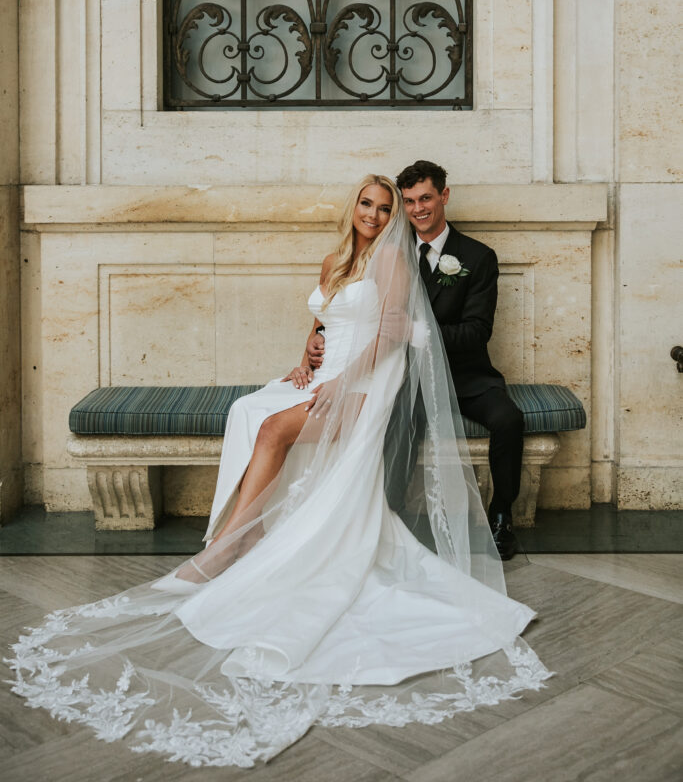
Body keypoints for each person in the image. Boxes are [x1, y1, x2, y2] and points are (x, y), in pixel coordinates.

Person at [8, 175, 549, 769]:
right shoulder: (338, 258)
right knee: (251, 411)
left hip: (368, 384)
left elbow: (391, 334)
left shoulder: (393, 259)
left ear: (396, 215)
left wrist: (344, 384)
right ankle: (247, 531)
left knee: (272, 429)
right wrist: (307, 355)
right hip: (326, 376)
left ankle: (231, 546)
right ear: (353, 209)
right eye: (367, 204)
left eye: (384, 207)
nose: (374, 213)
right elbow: (327, 323)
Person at [309, 161, 523, 560]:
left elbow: (478, 331)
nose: (417, 209)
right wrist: (315, 336)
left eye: (425, 198)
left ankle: (501, 515)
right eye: (408, 202)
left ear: (444, 196)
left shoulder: (477, 257)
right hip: (408, 376)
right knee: (392, 420)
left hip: (466, 376)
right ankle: (387, 515)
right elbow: (351, 310)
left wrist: (417, 332)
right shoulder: (389, 251)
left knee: (509, 420)